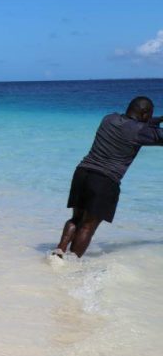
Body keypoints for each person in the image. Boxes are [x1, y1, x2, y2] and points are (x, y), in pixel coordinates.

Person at [54, 96, 163, 259]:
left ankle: (59, 253)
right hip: (104, 180)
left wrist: (159, 118)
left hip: (82, 173)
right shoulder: (140, 131)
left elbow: (140, 124)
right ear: (145, 114)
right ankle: (71, 264)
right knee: (88, 226)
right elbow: (149, 131)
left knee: (76, 219)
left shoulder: (109, 118)